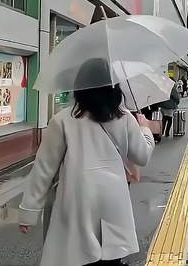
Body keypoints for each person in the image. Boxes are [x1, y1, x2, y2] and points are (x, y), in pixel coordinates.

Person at [18, 59, 155, 266]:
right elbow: (142, 156)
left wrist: (29, 212)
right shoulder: (124, 117)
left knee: (78, 255)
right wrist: (144, 128)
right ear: (113, 87)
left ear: (80, 87)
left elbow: (44, 169)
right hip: (114, 198)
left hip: (78, 198)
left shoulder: (63, 120)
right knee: (111, 254)